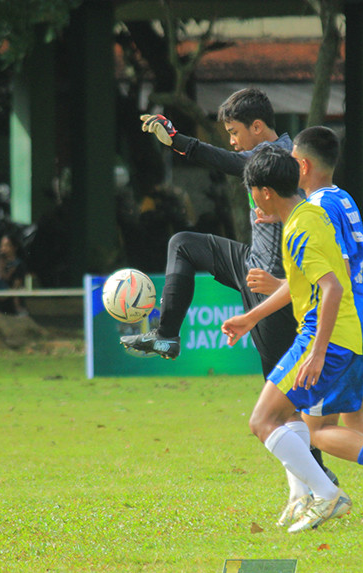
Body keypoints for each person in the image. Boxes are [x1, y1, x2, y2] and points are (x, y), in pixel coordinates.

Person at [123, 89, 337, 487]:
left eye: (235, 131)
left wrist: (180, 142)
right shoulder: (270, 154)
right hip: (249, 263)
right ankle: (166, 335)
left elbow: (224, 160)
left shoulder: (280, 159)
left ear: (258, 127)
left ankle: (320, 478)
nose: (232, 140)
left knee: (283, 404)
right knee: (182, 244)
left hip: (270, 284)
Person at [222, 145, 363, 532]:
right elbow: (317, 280)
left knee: (266, 420)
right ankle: (311, 494)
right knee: (298, 418)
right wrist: (251, 317)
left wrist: (317, 352)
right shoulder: (314, 212)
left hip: (323, 339)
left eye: (252, 192)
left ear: (263, 192)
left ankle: (334, 491)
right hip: (351, 334)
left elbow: (330, 288)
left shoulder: (299, 228)